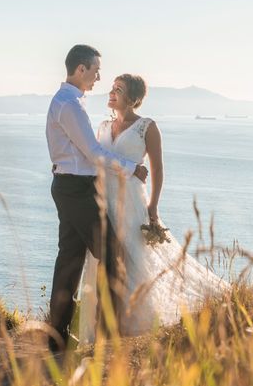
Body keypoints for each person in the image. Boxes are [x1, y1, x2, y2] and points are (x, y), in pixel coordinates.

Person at [78, 74, 228, 341]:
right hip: (102, 201)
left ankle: (135, 326)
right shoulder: (102, 126)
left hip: (132, 201)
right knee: (102, 261)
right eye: (111, 88)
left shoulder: (147, 127)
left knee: (134, 259)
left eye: (118, 90)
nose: (111, 93)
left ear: (133, 98)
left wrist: (153, 207)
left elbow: (157, 170)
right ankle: (103, 327)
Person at [45, 45, 148, 352]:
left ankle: (57, 337)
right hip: (76, 189)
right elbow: (94, 152)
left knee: (70, 261)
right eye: (95, 71)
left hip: (70, 186)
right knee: (114, 257)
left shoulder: (68, 100)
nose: (98, 77)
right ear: (80, 69)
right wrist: (132, 169)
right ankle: (106, 337)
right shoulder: (70, 105)